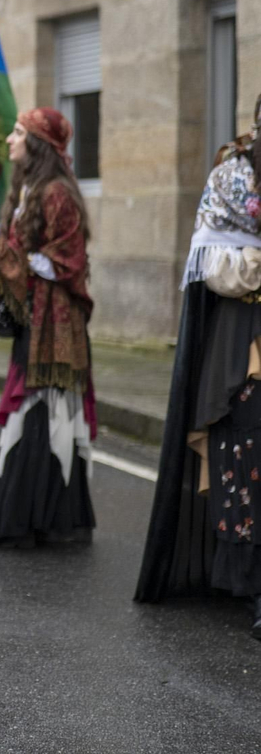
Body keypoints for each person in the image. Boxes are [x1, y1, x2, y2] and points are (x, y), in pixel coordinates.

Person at [137, 96, 261, 637]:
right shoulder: (232, 177)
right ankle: (254, 585)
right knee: (246, 449)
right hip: (244, 339)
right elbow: (215, 265)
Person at [0, 109, 96, 547]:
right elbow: (26, 254)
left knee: (45, 410)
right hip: (36, 320)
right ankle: (49, 520)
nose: (9, 138)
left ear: (37, 145)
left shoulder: (56, 193)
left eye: (18, 132)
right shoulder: (33, 189)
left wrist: (3, 254)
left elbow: (64, 264)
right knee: (38, 410)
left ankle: (25, 521)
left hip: (55, 325)